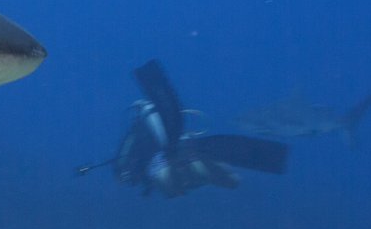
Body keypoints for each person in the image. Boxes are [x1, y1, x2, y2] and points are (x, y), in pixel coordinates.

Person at [100, 59, 289, 198]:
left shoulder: (136, 132)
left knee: (173, 189)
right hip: (185, 151)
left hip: (163, 160)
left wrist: (162, 160)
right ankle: (194, 156)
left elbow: (124, 164)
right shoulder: (152, 125)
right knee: (230, 181)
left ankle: (185, 158)